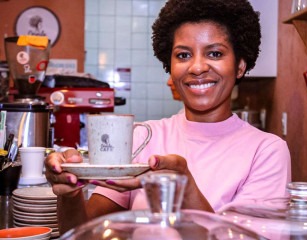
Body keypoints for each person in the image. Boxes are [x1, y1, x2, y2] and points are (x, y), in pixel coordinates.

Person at [45, 0, 291, 234]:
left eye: (215, 54)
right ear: (170, 67)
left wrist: (184, 186)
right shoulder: (143, 137)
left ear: (239, 66)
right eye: (183, 55)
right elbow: (84, 233)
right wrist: (70, 194)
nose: (196, 67)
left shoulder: (266, 152)